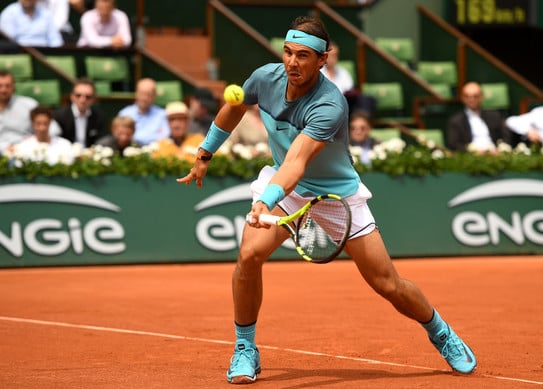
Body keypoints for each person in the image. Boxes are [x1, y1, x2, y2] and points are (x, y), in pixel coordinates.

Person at [177, 16, 477, 384]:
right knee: (249, 255)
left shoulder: (329, 104)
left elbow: (297, 163)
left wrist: (266, 202)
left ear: (323, 60)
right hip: (285, 186)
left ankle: (440, 331)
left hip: (336, 195)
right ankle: (245, 348)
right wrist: (205, 153)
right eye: (287, 53)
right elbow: (235, 108)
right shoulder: (264, 78)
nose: (292, 63)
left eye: (303, 56)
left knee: (388, 284)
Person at [446, 81, 511, 153]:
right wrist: (473, 151)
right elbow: (454, 144)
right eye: (467, 96)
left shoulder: (494, 116)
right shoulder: (456, 121)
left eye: (475, 96)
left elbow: (506, 136)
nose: (471, 99)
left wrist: (500, 149)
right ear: (462, 98)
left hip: (495, 156)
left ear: (481, 97)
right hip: (471, 158)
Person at [53, 78, 107, 147]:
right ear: (72, 96)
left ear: (93, 99)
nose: (82, 100)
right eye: (78, 95)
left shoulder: (98, 116)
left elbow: (99, 141)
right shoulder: (59, 115)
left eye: (88, 97)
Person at [117, 78, 169, 145]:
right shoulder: (124, 113)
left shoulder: (162, 115)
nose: (144, 98)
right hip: (130, 150)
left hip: (155, 151)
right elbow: (120, 137)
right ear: (136, 94)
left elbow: (164, 137)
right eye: (142, 94)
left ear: (154, 96)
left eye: (148, 94)